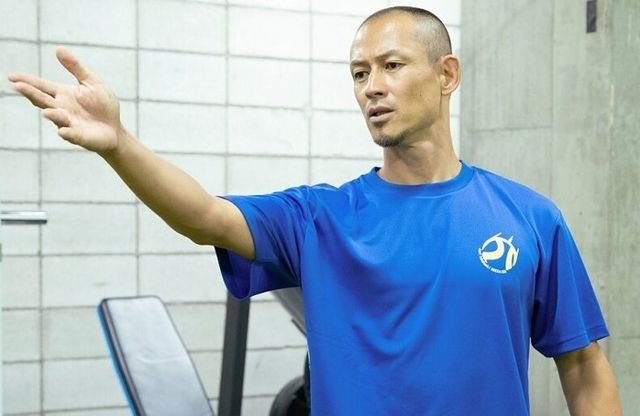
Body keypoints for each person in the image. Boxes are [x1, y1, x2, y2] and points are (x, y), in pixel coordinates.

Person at [8, 6, 621, 416]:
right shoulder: (319, 218)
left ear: (447, 75)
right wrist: (119, 144)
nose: (371, 86)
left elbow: (584, 364)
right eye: (359, 73)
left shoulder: (529, 217)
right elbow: (204, 216)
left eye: (391, 66)